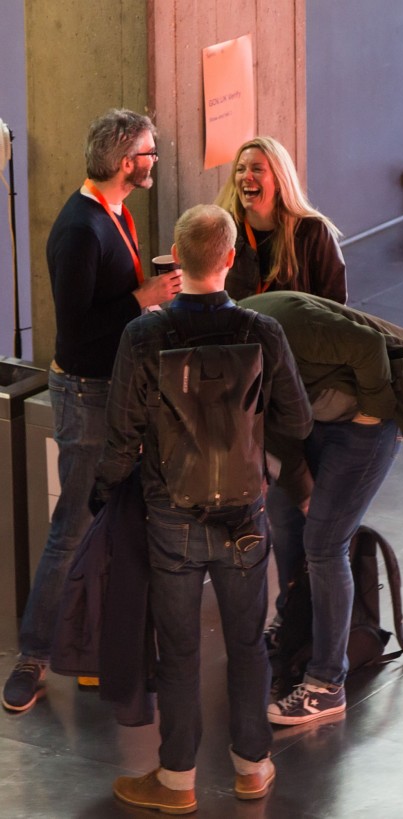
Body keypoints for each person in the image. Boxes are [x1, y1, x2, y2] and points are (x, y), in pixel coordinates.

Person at [94, 205, 313, 813]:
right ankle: (251, 768)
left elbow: (121, 436)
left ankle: (176, 782)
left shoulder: (144, 335)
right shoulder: (262, 331)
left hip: (172, 516)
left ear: (175, 257)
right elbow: (297, 419)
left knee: (179, 649)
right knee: (247, 645)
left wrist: (100, 494)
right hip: (246, 512)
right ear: (231, 258)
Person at [2, 109, 179, 713]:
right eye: (151, 152)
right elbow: (75, 333)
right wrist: (143, 298)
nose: (157, 160)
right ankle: (33, 657)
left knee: (119, 525)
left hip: (118, 389)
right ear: (127, 161)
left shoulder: (117, 214)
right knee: (72, 529)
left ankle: (98, 647)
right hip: (87, 395)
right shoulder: (80, 229)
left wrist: (146, 307)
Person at [240, 291, 403, 726]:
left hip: (367, 418)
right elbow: (275, 428)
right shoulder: (238, 357)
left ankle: (326, 685)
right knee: (283, 512)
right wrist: (301, 489)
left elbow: (371, 348)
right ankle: (294, 618)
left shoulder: (287, 331)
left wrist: (371, 415)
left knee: (324, 541)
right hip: (318, 412)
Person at [216, 136, 347, 304]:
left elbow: (334, 304)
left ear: (279, 180)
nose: (246, 176)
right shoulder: (223, 228)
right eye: (240, 169)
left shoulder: (313, 231)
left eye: (257, 169)